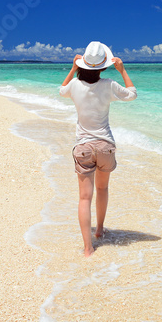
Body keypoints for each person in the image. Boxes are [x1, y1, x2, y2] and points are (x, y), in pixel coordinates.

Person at [59, 41, 136, 256]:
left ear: (84, 63)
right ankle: (100, 230)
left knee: (85, 198)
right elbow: (132, 94)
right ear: (103, 67)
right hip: (105, 146)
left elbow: (61, 90)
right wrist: (122, 70)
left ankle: (88, 248)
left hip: (83, 146)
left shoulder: (75, 85)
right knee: (102, 189)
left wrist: (73, 68)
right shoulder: (109, 84)